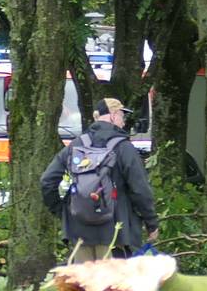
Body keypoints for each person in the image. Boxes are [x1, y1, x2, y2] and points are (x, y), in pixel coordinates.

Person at [36, 98, 158, 263]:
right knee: (112, 280)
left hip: (79, 232)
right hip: (116, 235)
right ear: (113, 115)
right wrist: (151, 223)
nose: (123, 122)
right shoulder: (124, 147)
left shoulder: (76, 145)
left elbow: (47, 180)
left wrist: (64, 211)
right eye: (122, 116)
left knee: (85, 279)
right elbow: (140, 190)